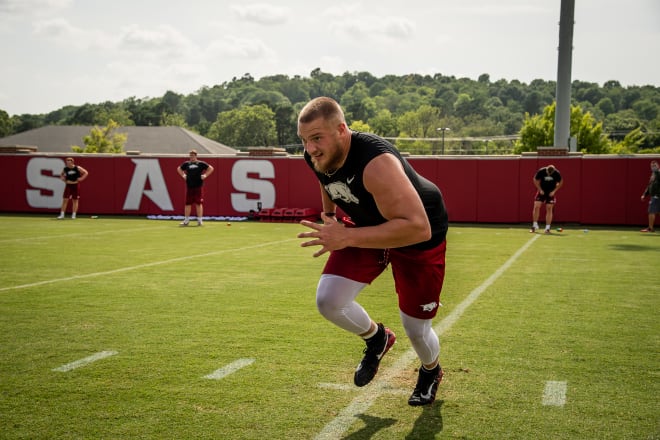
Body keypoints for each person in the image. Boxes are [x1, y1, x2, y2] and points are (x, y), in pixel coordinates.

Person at [296, 97, 449, 406]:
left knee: (416, 330)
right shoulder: (317, 154)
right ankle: (377, 338)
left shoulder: (376, 164)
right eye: (304, 140)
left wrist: (348, 238)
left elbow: (418, 227)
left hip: (416, 235)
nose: (310, 148)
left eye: (316, 138)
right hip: (365, 222)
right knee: (330, 300)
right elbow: (326, 180)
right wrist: (330, 219)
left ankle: (431, 371)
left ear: (341, 129)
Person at [177, 149, 214, 226]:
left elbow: (211, 168)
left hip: (198, 186)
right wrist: (183, 175)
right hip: (189, 186)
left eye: (193, 155)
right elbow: (179, 168)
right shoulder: (187, 164)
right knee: (188, 203)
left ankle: (200, 221)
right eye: (190, 155)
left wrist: (205, 175)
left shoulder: (200, 163)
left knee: (198, 203)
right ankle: (186, 220)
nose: (192, 157)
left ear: (196, 156)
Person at [531, 164, 563, 233]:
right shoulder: (541, 171)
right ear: (546, 170)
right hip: (542, 190)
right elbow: (535, 179)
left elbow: (561, 182)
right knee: (536, 206)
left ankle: (547, 228)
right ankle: (534, 225)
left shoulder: (557, 173)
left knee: (549, 208)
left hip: (550, 192)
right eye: (548, 173)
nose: (549, 174)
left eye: (550, 174)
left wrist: (554, 191)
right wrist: (540, 189)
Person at [640, 160, 660, 232]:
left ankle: (650, 228)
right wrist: (644, 194)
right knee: (653, 211)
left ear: (658, 166)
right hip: (654, 196)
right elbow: (650, 186)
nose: (653, 167)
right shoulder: (653, 174)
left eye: (655, 165)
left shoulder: (658, 173)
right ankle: (650, 228)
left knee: (651, 211)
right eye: (652, 166)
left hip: (657, 196)